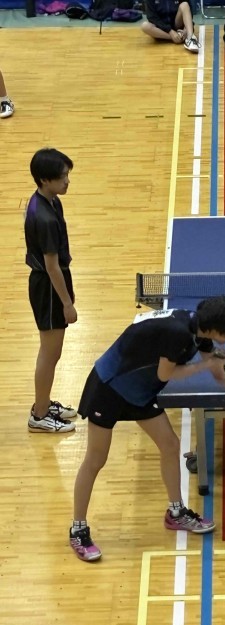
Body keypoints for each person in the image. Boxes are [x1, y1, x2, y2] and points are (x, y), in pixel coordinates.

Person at [69, 297, 225, 561]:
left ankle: (176, 513)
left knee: (170, 445)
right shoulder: (177, 333)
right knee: (96, 459)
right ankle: (78, 530)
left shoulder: (200, 334)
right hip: (109, 387)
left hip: (139, 391)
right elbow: (166, 374)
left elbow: (221, 377)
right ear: (218, 329)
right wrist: (205, 364)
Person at [25, 149, 78, 434]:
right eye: (62, 177)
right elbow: (51, 266)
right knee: (50, 353)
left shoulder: (50, 200)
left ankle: (44, 404)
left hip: (53, 283)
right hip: (47, 288)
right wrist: (67, 303)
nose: (67, 181)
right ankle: (40, 415)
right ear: (45, 179)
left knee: (52, 353)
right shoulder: (44, 217)